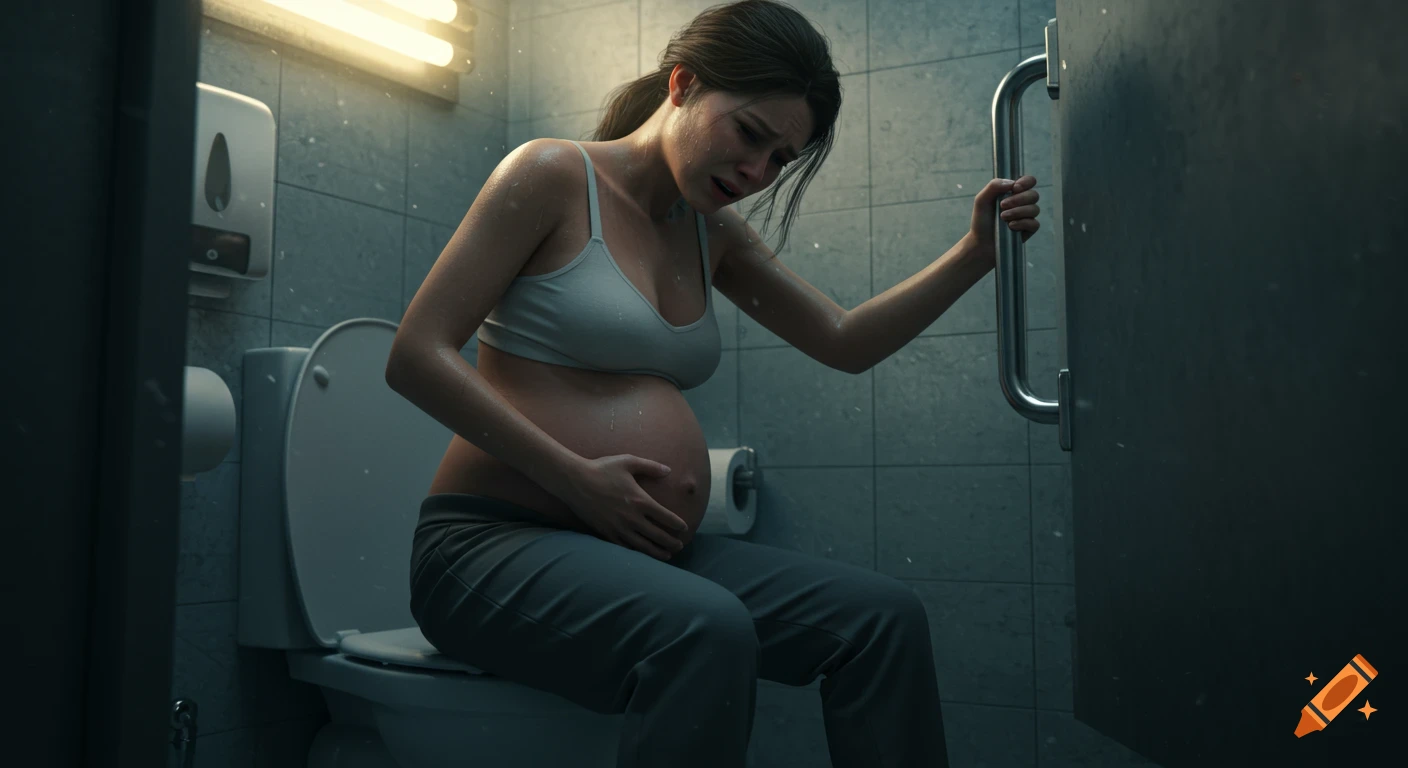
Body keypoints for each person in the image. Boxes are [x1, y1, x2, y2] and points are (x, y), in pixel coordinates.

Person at [386, 1, 1042, 765]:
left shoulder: (713, 235)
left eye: (779, 160)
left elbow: (844, 341)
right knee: (708, 628)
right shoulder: (551, 174)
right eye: (750, 135)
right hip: (486, 549)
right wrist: (576, 480)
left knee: (882, 621)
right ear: (683, 84)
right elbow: (416, 354)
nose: (756, 172)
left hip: (638, 556)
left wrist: (972, 254)